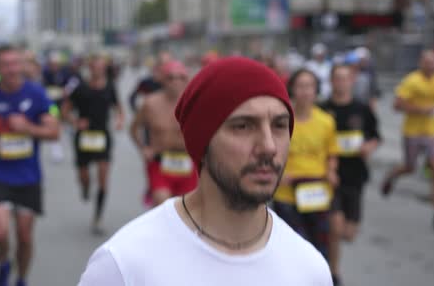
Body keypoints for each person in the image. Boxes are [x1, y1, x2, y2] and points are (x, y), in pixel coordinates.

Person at [78, 57, 333, 285]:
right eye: (243, 126)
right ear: (203, 140)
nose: (268, 146)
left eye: (279, 125)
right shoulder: (123, 265)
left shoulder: (310, 269)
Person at [0, 45, 60, 286]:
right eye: (6, 64)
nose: (12, 69)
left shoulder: (35, 94)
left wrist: (28, 128)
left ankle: (22, 278)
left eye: (16, 63)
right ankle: (3, 263)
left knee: (25, 237)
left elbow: (54, 132)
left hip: (27, 176)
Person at [321, 65, 381, 285]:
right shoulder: (322, 109)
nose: (341, 82)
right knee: (335, 226)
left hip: (355, 175)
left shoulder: (362, 109)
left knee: (348, 233)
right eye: (337, 78)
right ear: (331, 81)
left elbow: (375, 136)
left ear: (352, 81)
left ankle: (330, 259)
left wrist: (369, 147)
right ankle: (333, 273)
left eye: (345, 78)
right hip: (329, 176)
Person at [273, 68, 339, 261]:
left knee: (319, 248)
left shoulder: (326, 121)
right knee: (294, 248)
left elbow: (332, 153)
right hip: (286, 192)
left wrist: (332, 171)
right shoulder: (281, 120)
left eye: (309, 86)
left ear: (316, 90)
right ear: (292, 89)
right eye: (300, 86)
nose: (305, 91)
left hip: (317, 190)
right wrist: (278, 173)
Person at [381, 50, 434, 229]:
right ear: (421, 63)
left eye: (433, 62)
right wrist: (420, 109)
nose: (430, 65)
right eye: (427, 62)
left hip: (433, 132)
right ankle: (391, 176)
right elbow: (397, 104)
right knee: (409, 167)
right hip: (412, 132)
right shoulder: (412, 81)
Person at [62, 55, 125, 235]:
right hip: (83, 136)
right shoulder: (80, 87)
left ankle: (97, 218)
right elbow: (64, 109)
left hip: (102, 136)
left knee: (104, 177)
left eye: (101, 67)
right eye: (95, 66)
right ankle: (85, 187)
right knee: (84, 176)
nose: (98, 70)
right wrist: (74, 122)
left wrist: (120, 120)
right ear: (89, 68)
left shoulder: (110, 86)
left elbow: (118, 107)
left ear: (104, 68)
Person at [130, 61, 197, 207]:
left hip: (188, 164)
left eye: (181, 77)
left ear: (188, 79)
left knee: (186, 212)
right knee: (163, 205)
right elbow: (134, 129)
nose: (176, 82)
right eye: (171, 78)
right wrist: (144, 148)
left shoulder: (196, 103)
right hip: (159, 162)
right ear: (162, 80)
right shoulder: (150, 103)